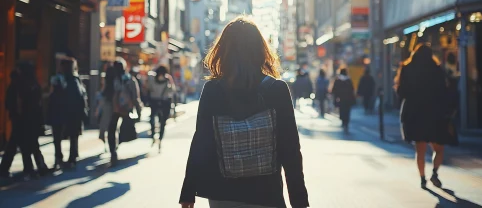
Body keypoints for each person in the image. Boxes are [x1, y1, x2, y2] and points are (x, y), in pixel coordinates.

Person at [180, 17, 309, 208]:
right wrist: (299, 202)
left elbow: (201, 142)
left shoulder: (213, 90)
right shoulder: (277, 90)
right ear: (260, 51)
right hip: (266, 193)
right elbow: (290, 150)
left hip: (221, 194)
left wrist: (188, 192)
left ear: (223, 52)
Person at [395, 44, 451, 189]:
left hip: (414, 114)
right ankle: (434, 173)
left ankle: (422, 179)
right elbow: (444, 92)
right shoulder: (436, 69)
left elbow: (401, 92)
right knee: (438, 148)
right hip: (434, 113)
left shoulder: (407, 68)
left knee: (420, 149)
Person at [0, 64, 49, 179]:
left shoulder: (19, 85)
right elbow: (38, 107)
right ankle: (36, 168)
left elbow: (11, 103)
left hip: (20, 120)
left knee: (19, 145)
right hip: (29, 120)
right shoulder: (33, 85)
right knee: (29, 145)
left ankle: (27, 168)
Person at [49, 59, 88, 168]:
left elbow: (52, 96)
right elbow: (80, 98)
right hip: (72, 113)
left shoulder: (57, 80)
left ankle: (60, 157)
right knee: (72, 135)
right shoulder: (75, 80)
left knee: (58, 136)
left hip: (59, 111)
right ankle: (72, 157)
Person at [108, 58, 141, 166]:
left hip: (114, 108)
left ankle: (113, 151)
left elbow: (104, 93)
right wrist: (138, 111)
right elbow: (136, 97)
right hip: (127, 108)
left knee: (111, 130)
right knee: (125, 128)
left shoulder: (111, 79)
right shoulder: (130, 79)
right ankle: (117, 145)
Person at [148, 65, 176, 150]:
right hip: (164, 102)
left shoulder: (152, 78)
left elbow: (148, 88)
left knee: (152, 119)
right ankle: (160, 139)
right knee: (162, 122)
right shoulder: (167, 79)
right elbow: (172, 91)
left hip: (154, 101)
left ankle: (153, 135)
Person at [95, 66, 116, 144]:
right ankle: (111, 141)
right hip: (114, 103)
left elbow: (103, 91)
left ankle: (102, 135)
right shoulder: (116, 80)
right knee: (112, 124)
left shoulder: (106, 80)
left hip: (106, 101)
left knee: (105, 120)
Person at [331, 68, 356, 132]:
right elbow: (352, 89)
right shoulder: (348, 80)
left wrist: (336, 97)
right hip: (348, 98)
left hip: (341, 98)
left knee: (342, 110)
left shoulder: (338, 80)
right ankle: (346, 122)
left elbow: (334, 90)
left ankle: (343, 121)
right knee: (347, 111)